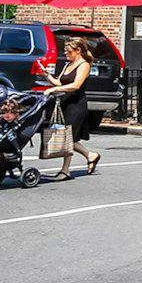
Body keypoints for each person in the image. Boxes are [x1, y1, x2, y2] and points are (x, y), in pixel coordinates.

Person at [40, 37, 101, 179]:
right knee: (66, 137)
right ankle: (90, 155)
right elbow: (59, 82)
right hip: (65, 102)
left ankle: (65, 170)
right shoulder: (68, 64)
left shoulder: (84, 65)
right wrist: (47, 76)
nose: (65, 53)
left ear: (78, 50)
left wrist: (53, 90)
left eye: (68, 51)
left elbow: (76, 85)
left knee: (68, 137)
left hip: (76, 104)